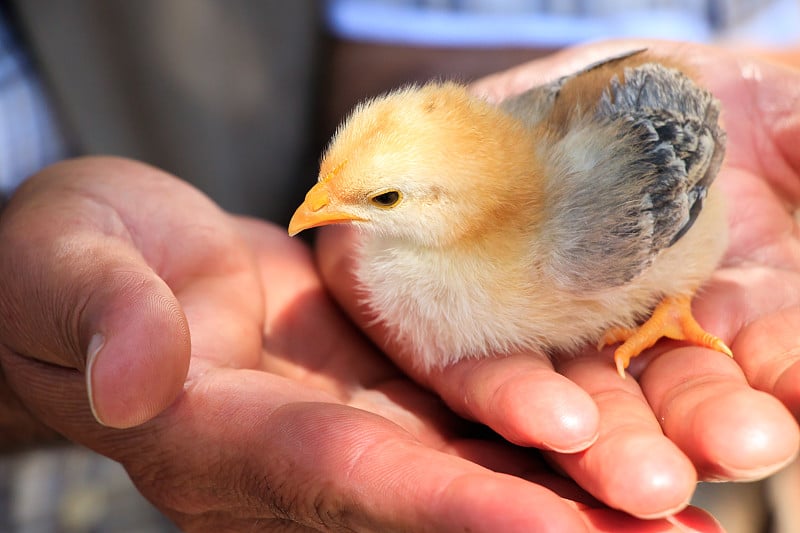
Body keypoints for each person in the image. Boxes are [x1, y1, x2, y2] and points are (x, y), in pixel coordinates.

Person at [2, 4, 800, 533]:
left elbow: (690, 156)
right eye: (333, 188)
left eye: (377, 197)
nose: (320, 209)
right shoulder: (458, 196)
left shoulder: (580, 238)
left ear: (452, 204)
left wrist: (675, 293)